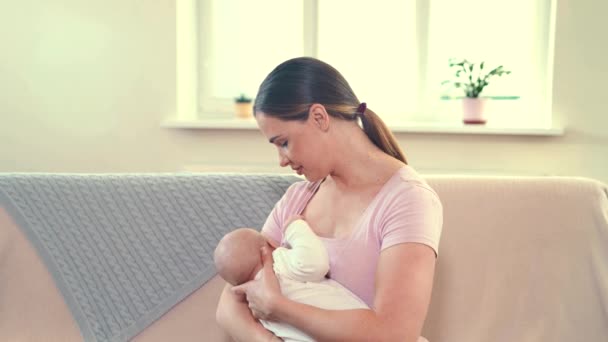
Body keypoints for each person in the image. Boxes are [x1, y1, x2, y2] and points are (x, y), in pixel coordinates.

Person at [216, 56, 443, 342]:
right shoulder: (297, 200)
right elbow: (230, 303)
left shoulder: (408, 201)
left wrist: (281, 308)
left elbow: (394, 334)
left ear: (319, 117)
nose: (281, 161)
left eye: (283, 142)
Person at [214, 217, 368, 342]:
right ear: (265, 250)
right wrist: (295, 227)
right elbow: (317, 264)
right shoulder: (279, 264)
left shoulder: (255, 306)